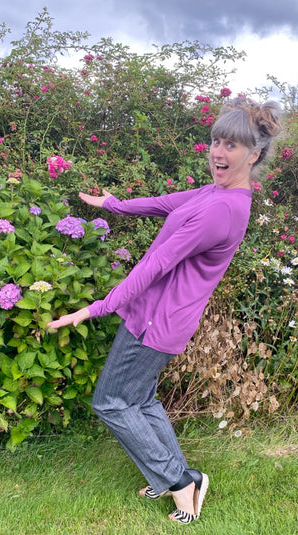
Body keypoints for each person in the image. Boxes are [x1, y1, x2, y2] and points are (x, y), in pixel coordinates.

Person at [47, 97, 282, 525]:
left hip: (156, 324)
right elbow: (162, 203)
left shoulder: (223, 210)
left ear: (255, 154)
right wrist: (114, 205)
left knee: (113, 403)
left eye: (231, 145)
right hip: (156, 317)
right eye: (216, 141)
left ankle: (178, 482)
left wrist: (94, 309)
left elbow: (156, 264)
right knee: (141, 399)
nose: (218, 152)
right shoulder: (215, 192)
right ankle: (177, 476)